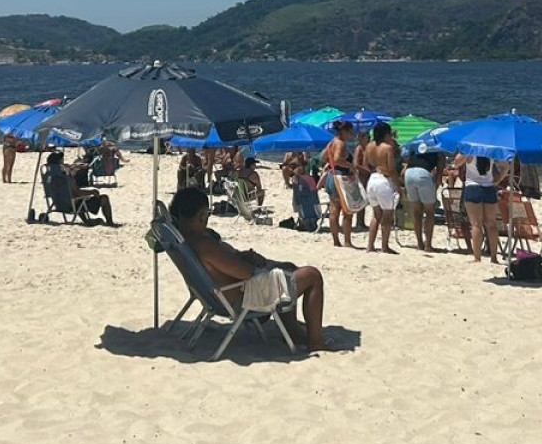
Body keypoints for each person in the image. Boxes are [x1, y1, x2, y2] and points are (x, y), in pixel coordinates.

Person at [169, 187, 328, 354]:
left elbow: (222, 265)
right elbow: (245, 273)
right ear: (201, 215)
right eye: (207, 214)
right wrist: (253, 263)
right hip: (244, 297)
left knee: (288, 267)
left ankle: (292, 331)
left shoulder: (184, 241)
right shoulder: (203, 244)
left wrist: (240, 256)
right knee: (312, 275)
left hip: (220, 297)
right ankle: (315, 342)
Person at [360, 123, 401, 254]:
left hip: (372, 179)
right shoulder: (387, 148)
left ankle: (370, 245)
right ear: (386, 134)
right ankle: (384, 246)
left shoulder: (369, 146)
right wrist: (398, 187)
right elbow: (392, 170)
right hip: (384, 181)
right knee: (387, 215)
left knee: (376, 215)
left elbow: (365, 165)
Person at [322, 121, 362, 250]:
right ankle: (347, 241)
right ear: (344, 131)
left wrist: (331, 163)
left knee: (334, 210)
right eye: (350, 132)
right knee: (347, 211)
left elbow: (323, 157)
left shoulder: (332, 142)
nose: (352, 134)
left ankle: (336, 241)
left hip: (331, 176)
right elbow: (338, 159)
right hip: (341, 178)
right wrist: (352, 166)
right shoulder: (340, 143)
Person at [462, 154, 503, 264]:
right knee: (491, 224)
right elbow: (506, 166)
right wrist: (498, 180)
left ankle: (477, 257)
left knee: (476, 225)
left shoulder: (470, 151)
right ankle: (494, 257)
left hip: (473, 187)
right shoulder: (491, 152)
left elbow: (457, 162)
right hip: (489, 188)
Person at [403, 148, 441, 251]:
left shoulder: (416, 145)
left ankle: (420, 243)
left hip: (409, 173)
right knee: (429, 211)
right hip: (423, 173)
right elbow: (439, 172)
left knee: (417, 211)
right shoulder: (437, 148)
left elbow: (406, 164)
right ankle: (428, 245)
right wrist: (435, 187)